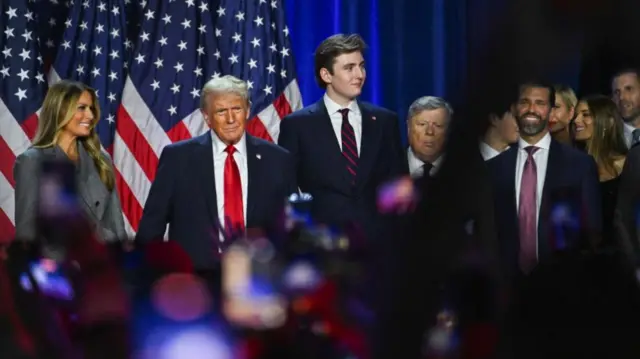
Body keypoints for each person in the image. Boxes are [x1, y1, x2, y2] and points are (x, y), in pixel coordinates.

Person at [136, 75, 296, 271]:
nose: (231, 119)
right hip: (195, 279)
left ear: (247, 110)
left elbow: (291, 226)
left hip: (259, 279)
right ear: (206, 116)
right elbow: (152, 226)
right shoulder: (178, 158)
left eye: (236, 109)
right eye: (221, 111)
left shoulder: (278, 160)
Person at [278, 33, 406, 241]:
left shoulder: (385, 121)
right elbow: (286, 190)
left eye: (361, 66)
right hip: (321, 244)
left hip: (377, 245)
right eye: (349, 68)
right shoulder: (297, 125)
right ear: (326, 75)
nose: (360, 74)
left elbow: (398, 186)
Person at [487, 81, 602, 280]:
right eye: (525, 102)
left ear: (550, 111)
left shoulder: (579, 165)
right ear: (515, 108)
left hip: (562, 287)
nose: (532, 109)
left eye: (540, 103)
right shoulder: (494, 168)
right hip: (506, 291)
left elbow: (592, 233)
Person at [13, 80, 127, 243]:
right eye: (82, 108)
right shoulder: (32, 161)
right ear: (59, 111)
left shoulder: (101, 160)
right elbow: (26, 232)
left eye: (91, 108)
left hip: (101, 262)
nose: (90, 116)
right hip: (60, 264)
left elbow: (116, 224)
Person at [572, 95, 627, 243]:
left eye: (586, 114)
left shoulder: (628, 166)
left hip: (622, 255)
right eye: (576, 115)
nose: (576, 120)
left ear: (608, 122)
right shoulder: (572, 167)